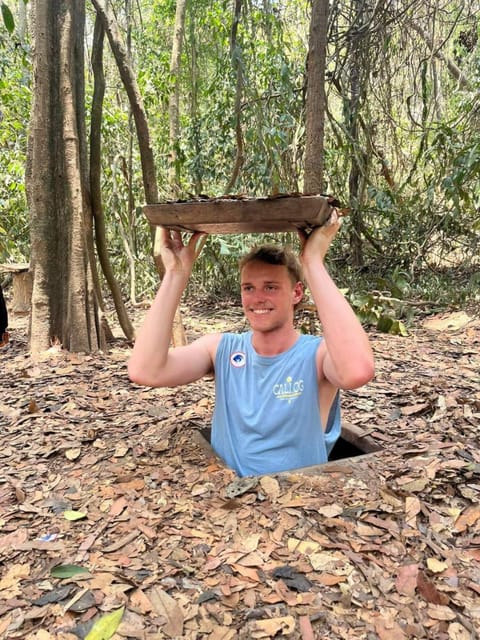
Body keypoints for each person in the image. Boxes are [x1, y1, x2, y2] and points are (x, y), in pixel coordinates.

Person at [128, 211, 375, 476]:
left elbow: (357, 371)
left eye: (270, 287)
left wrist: (313, 262)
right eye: (248, 288)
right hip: (233, 504)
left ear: (297, 292)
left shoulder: (317, 354)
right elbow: (146, 371)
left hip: (299, 503)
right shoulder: (221, 348)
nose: (257, 298)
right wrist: (176, 273)